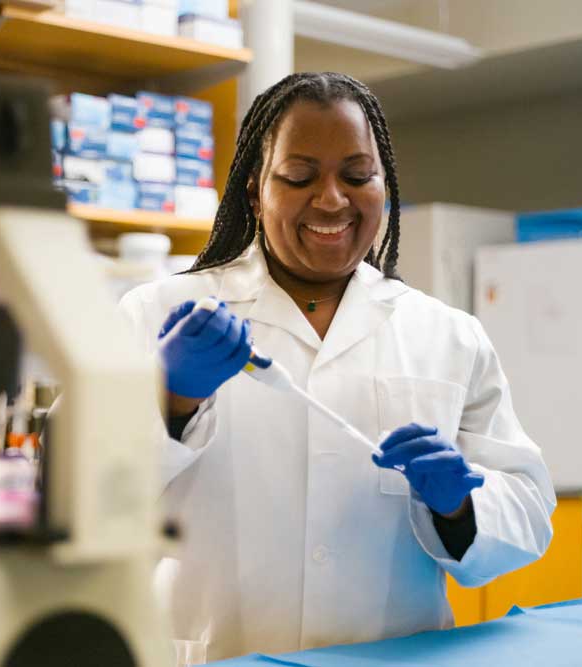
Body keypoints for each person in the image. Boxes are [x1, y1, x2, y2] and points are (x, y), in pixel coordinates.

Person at [119, 72, 556, 661]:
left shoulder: (448, 336)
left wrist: (460, 506)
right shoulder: (159, 314)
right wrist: (171, 400)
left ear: (384, 185)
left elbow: (529, 511)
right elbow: (67, 493)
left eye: (357, 176)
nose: (331, 200)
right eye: (299, 177)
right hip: (221, 653)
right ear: (255, 190)